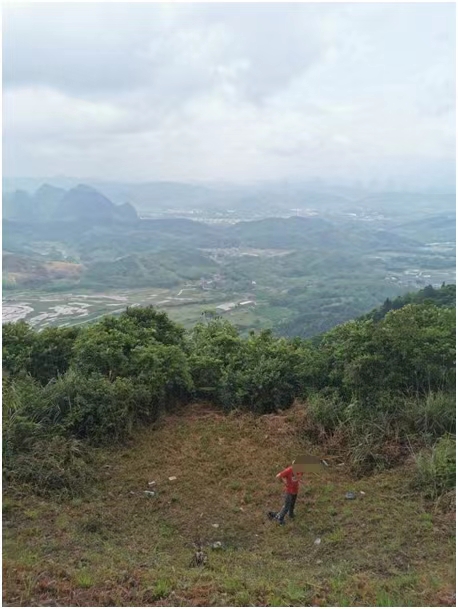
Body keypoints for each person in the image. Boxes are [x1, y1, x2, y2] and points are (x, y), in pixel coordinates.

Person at [268, 459, 304, 525]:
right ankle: (280, 518)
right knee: (286, 506)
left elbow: (299, 476)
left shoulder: (300, 470)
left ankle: (291, 514)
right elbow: (278, 476)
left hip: (295, 490)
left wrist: (299, 480)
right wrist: (285, 482)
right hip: (289, 491)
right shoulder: (288, 470)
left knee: (292, 504)